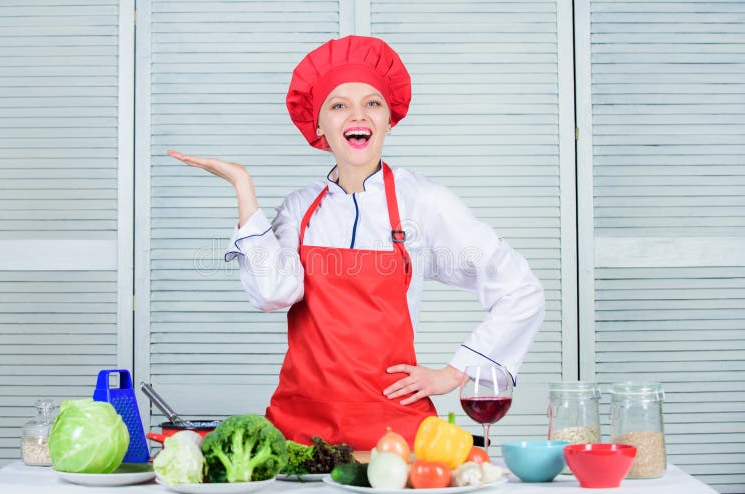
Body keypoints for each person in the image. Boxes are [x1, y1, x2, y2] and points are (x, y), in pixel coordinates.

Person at [169, 35, 545, 450]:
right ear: (318, 124)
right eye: (339, 105)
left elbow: (520, 290)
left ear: (388, 118)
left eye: (372, 103)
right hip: (301, 428)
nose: (357, 115)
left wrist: (456, 371)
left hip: (393, 429)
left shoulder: (422, 201)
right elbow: (273, 293)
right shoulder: (300, 208)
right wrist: (243, 188)